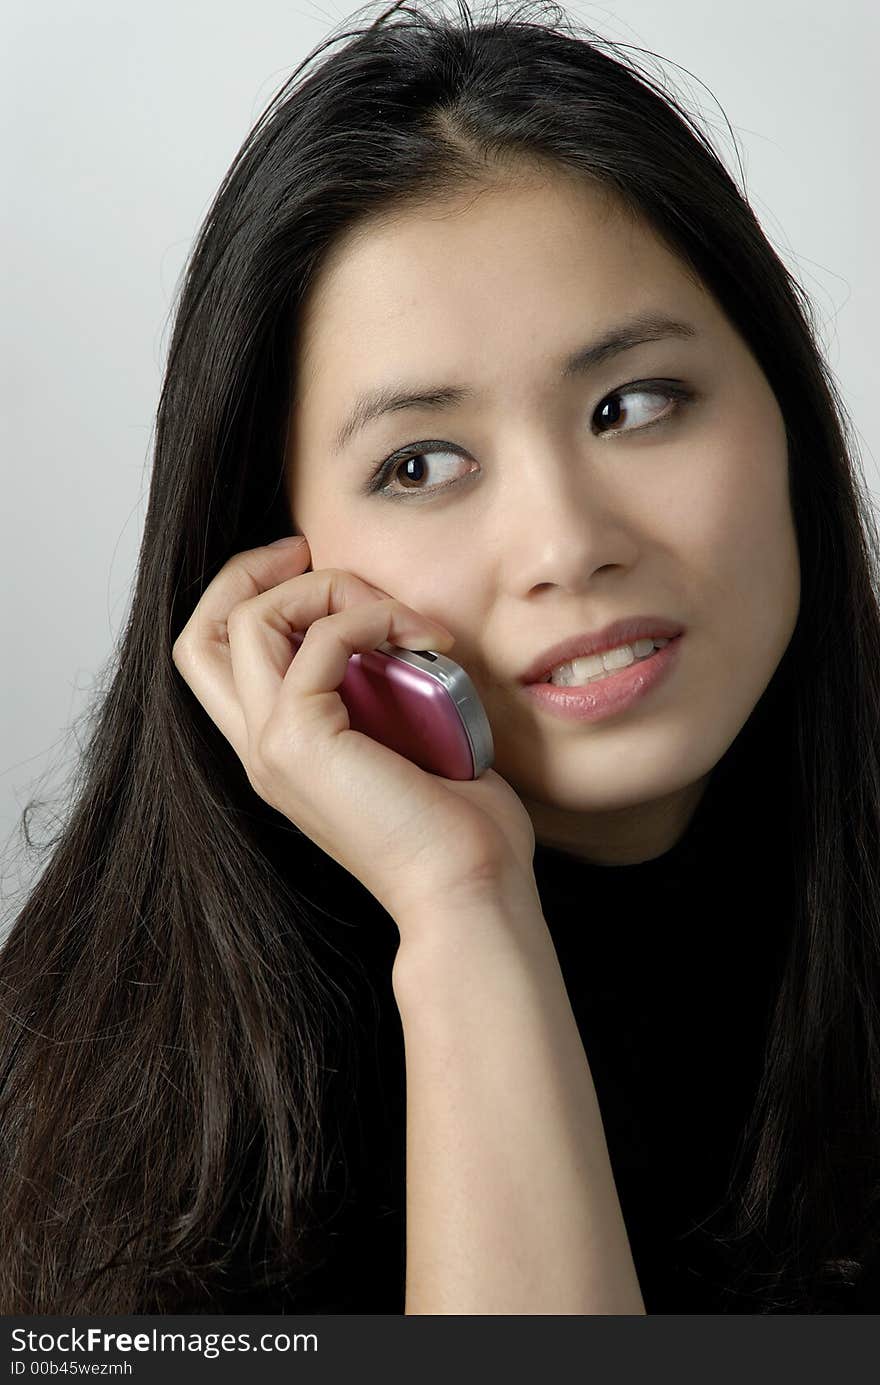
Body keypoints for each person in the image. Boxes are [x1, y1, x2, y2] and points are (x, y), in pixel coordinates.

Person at [1, 0, 878, 1315]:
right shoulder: (108, 1126)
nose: (567, 544)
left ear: (786, 409)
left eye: (633, 403)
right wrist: (466, 918)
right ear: (281, 560)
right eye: (422, 463)